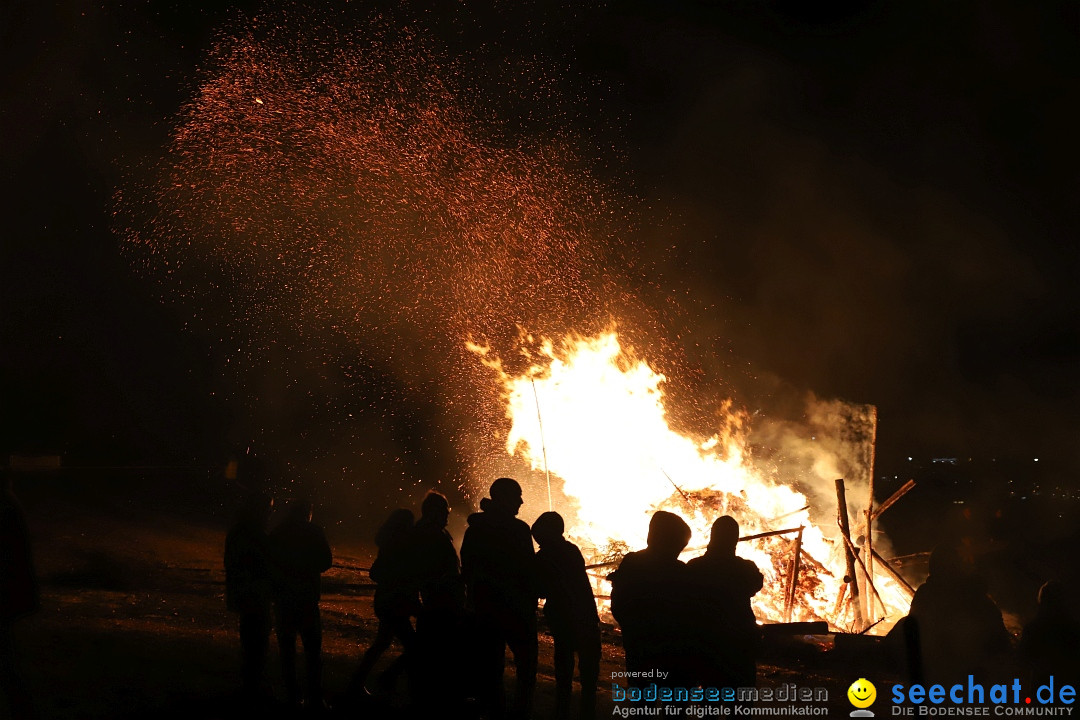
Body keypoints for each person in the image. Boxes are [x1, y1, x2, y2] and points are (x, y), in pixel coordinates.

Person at [460, 478, 538, 720]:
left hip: (487, 609)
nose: (521, 501)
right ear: (504, 498)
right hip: (515, 610)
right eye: (517, 496)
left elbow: (468, 568)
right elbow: (528, 569)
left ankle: (495, 709)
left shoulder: (476, 529)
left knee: (491, 665)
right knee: (525, 664)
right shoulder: (519, 530)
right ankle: (518, 711)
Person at [901, 543, 1011, 686]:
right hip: (971, 675)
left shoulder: (927, 594)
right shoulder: (975, 594)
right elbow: (1000, 637)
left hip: (938, 674)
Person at [608, 510, 693, 686]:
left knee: (643, 702)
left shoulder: (633, 562)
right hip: (670, 652)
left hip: (640, 647)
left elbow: (619, 603)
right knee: (673, 705)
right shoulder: (681, 572)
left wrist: (631, 630)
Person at [532, 511, 601, 720]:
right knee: (589, 670)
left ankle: (562, 709)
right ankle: (587, 710)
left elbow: (541, 590)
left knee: (564, 666)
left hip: (564, 618)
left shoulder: (544, 556)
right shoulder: (572, 550)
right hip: (585, 616)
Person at [269, 497, 333, 709]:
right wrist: (307, 567)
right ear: (308, 512)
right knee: (313, 651)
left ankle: (292, 695)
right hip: (306, 597)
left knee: (287, 650)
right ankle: (315, 697)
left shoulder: (279, 532)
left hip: (284, 597)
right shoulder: (313, 531)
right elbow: (326, 561)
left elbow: (270, 561)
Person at [685, 516, 763, 690]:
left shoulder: (694, 567)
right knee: (740, 706)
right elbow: (755, 585)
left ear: (713, 537)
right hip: (739, 645)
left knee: (709, 701)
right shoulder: (746, 569)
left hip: (707, 644)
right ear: (734, 540)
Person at [406, 491, 467, 709]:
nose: (447, 516)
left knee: (433, 659)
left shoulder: (430, 532)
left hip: (440, 604)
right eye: (444, 511)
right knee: (438, 659)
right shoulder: (429, 534)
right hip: (440, 606)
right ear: (433, 511)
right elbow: (428, 571)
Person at [349, 508, 418, 697]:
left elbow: (376, 572)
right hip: (394, 603)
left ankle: (358, 682)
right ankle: (389, 678)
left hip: (386, 601)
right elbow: (378, 572)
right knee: (414, 646)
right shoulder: (398, 546)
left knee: (382, 643)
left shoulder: (390, 544)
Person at [224, 489, 275, 702]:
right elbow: (263, 564)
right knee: (257, 640)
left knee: (251, 639)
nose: (270, 513)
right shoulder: (254, 533)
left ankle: (250, 685)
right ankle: (252, 688)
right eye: (268, 508)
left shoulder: (239, 531)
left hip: (244, 593)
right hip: (254, 594)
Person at [0, 468, 37, 720]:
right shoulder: (7, 503)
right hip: (8, 594)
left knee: (4, 659)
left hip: (4, 594)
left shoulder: (4, 507)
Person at [1019, 580, 1080, 691]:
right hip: (1069, 687)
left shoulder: (1033, 628)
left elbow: (1024, 658)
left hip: (1043, 687)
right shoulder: (1073, 627)